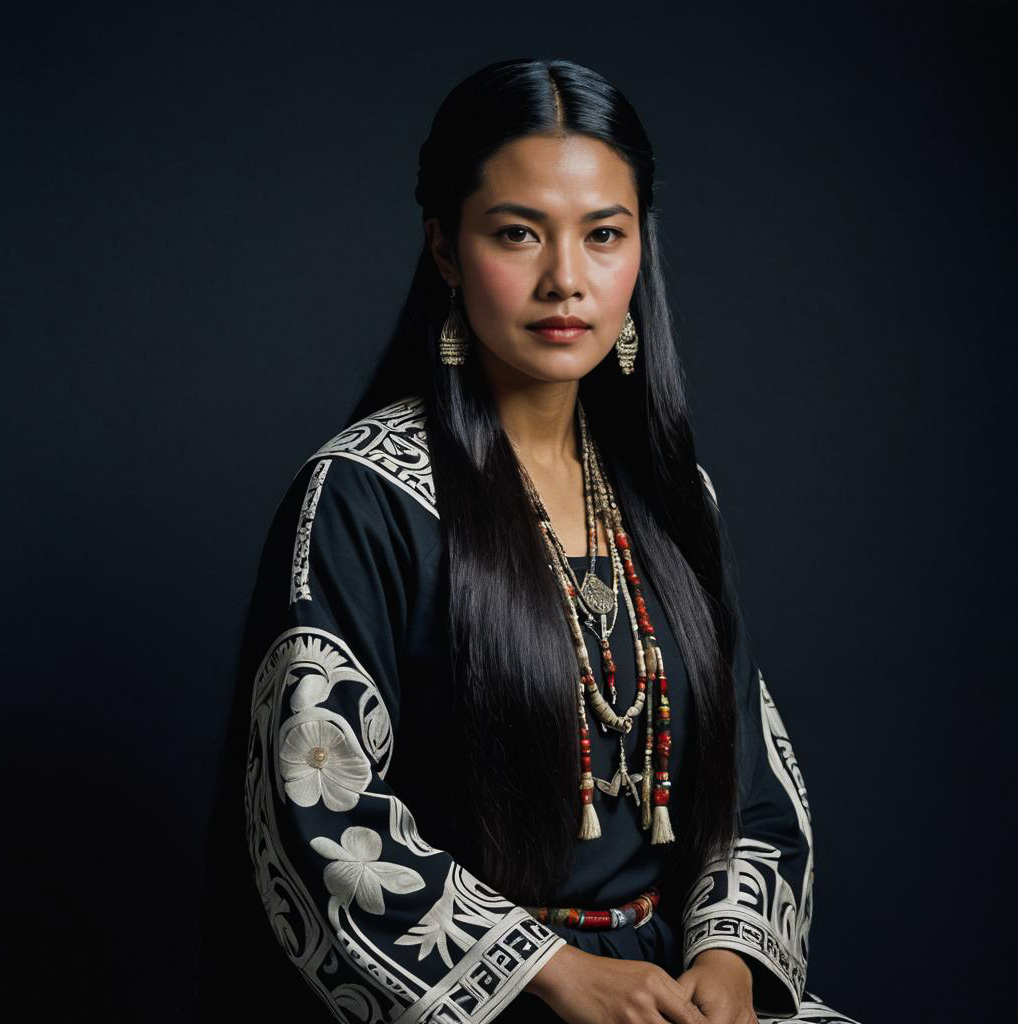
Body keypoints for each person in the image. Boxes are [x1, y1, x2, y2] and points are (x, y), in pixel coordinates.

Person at [192, 58, 860, 1024]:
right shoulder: (366, 496)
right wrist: (558, 973)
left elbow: (746, 779)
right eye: (517, 233)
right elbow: (320, 808)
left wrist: (726, 963)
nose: (566, 280)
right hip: (482, 997)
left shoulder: (674, 497)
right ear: (446, 251)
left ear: (640, 251)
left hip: (668, 988)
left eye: (603, 236)